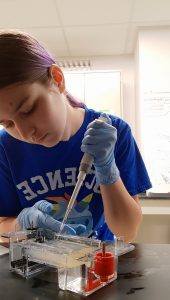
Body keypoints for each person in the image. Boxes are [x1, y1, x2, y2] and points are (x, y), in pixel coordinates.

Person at [0, 29, 152, 242]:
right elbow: (2, 227)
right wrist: (20, 224)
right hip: (39, 268)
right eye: (7, 123)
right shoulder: (5, 147)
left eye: (28, 109)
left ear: (57, 79)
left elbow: (126, 232)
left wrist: (108, 171)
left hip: (102, 267)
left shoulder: (113, 132)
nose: (26, 133)